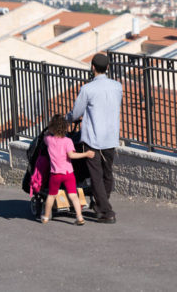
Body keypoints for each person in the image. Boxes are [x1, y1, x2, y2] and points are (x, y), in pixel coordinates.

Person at [67, 53, 122, 224]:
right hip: (111, 136)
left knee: (96, 176)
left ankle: (106, 211)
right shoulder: (117, 86)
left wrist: (65, 120)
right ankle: (99, 205)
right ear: (108, 67)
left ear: (92, 67)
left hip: (92, 139)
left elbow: (76, 113)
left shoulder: (87, 89)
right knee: (107, 174)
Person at [41, 114, 95, 225]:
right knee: (73, 195)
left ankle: (46, 217)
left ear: (52, 128)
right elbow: (71, 155)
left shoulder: (49, 140)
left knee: (51, 195)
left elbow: (45, 136)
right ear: (65, 127)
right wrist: (86, 154)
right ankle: (79, 217)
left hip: (55, 174)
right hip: (68, 173)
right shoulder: (68, 141)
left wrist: (49, 131)